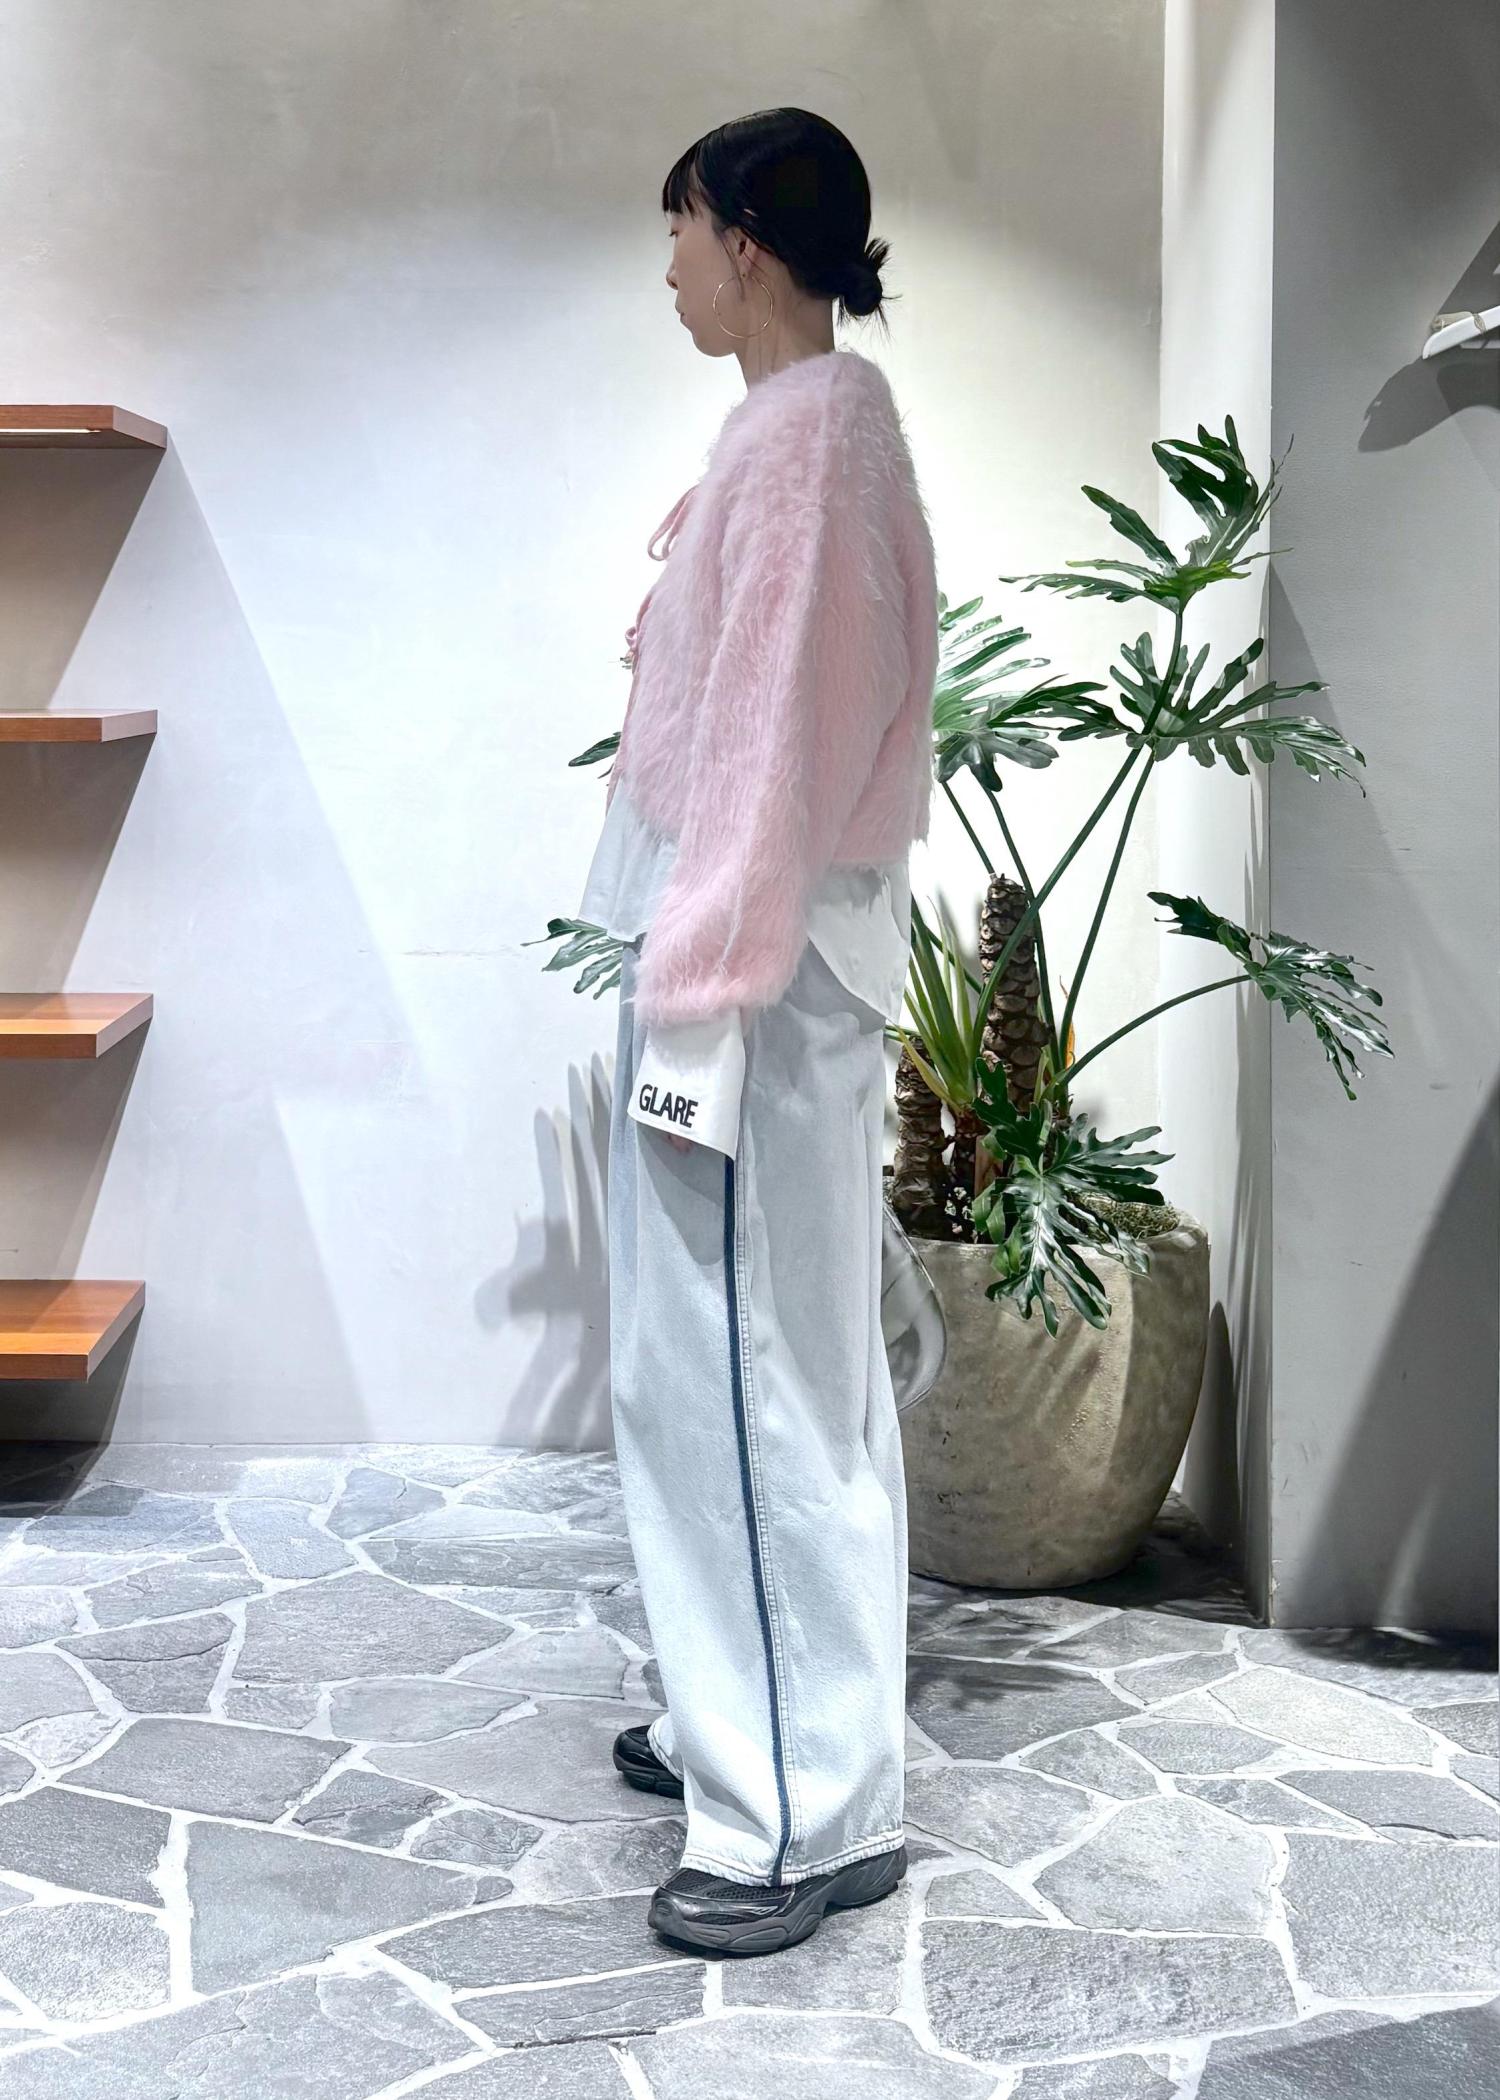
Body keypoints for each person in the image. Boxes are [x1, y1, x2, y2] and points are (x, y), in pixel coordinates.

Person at [578, 108, 940, 1957]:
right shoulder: (814, 430)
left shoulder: (805, 443)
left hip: (750, 971)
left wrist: (696, 987)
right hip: (778, 955)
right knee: (785, 1364)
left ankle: (793, 1805)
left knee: (727, 1375)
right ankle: (777, 1725)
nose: (665, 270)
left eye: (676, 231)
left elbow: (776, 741)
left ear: (740, 236)